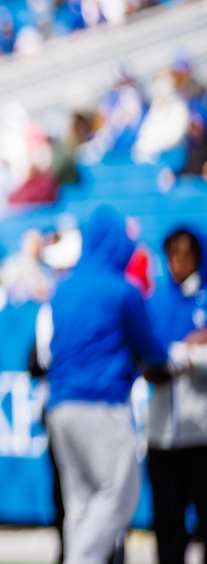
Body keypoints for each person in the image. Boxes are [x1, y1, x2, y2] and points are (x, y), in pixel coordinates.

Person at [43, 205, 180, 564]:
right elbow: (153, 353)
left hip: (59, 405)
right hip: (100, 401)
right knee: (120, 496)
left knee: (81, 502)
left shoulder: (64, 287)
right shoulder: (123, 290)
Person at [145, 227, 207, 564]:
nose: (179, 262)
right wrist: (185, 352)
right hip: (162, 433)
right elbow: (146, 358)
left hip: (202, 432)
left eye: (186, 254)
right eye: (173, 254)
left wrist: (185, 356)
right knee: (168, 527)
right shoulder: (154, 300)